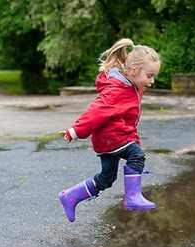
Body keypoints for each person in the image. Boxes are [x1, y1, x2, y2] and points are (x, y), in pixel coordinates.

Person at [58, 38, 160, 222]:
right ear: (135, 71)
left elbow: (127, 120)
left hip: (112, 139)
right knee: (136, 155)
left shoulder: (131, 86)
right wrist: (75, 130)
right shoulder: (117, 90)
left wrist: (133, 138)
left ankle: (70, 196)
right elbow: (97, 111)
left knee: (107, 179)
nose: (152, 80)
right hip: (111, 138)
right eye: (150, 75)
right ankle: (132, 197)